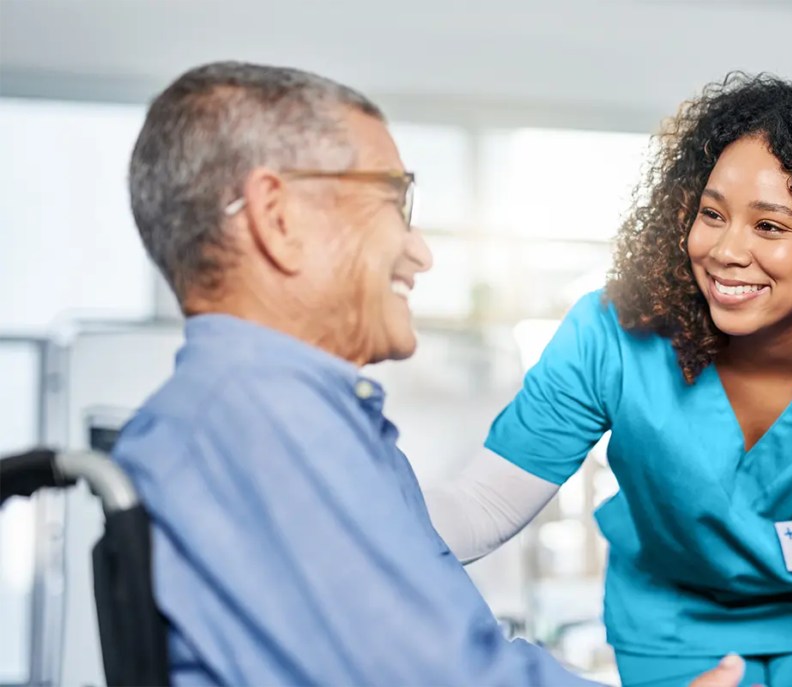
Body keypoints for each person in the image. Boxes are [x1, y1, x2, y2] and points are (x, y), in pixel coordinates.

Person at [112, 61, 746, 687]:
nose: (420, 250)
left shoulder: (282, 418)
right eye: (392, 200)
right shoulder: (259, 419)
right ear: (279, 219)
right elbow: (434, 674)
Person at [425, 73, 792, 687]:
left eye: (769, 226)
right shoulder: (612, 335)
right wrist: (347, 513)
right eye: (711, 213)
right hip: (674, 630)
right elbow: (481, 507)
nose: (724, 250)